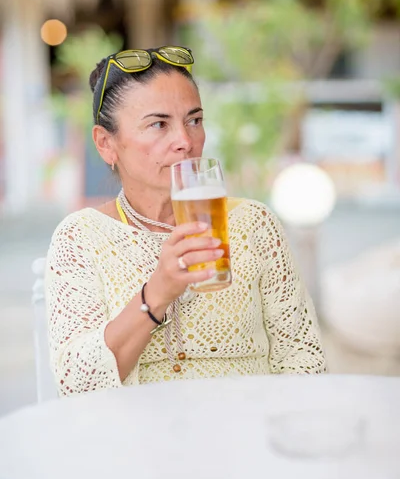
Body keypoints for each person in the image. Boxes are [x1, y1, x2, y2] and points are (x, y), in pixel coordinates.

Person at [45, 46, 326, 397]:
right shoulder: (81, 238)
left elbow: (303, 359)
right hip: (136, 441)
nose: (185, 141)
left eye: (194, 120)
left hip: (247, 432)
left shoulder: (254, 224)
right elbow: (78, 386)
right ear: (106, 144)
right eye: (159, 124)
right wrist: (157, 293)